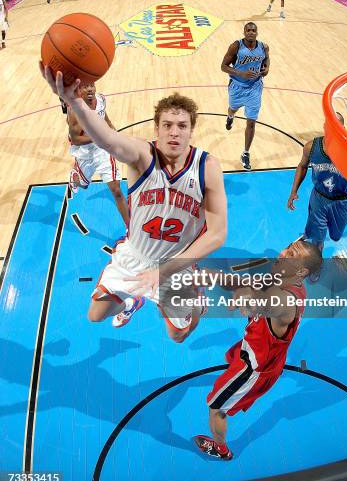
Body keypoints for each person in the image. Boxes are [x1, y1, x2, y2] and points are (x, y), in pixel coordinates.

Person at [41, 63, 227, 343]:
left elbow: (217, 234)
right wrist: (74, 101)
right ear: (157, 128)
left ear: (192, 130)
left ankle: (197, 304)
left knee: (178, 336)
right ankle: (132, 302)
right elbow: (108, 140)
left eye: (181, 126)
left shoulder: (207, 167)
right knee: (95, 314)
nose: (174, 132)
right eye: (167, 125)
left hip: (175, 264)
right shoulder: (143, 155)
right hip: (137, 255)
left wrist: (163, 272)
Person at [194, 239, 322, 460]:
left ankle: (221, 449)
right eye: (288, 247)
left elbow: (264, 302)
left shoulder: (285, 302)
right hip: (263, 352)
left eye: (290, 254)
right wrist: (212, 275)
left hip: (256, 368)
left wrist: (247, 298)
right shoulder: (288, 280)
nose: (282, 253)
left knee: (215, 406)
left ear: (301, 270)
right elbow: (245, 284)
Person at [287, 113, 347, 250]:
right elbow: (302, 166)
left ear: (342, 128)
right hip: (319, 198)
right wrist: (293, 191)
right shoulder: (311, 147)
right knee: (317, 240)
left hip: (342, 200)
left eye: (336, 126)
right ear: (325, 126)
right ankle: (316, 264)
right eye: (329, 125)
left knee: (336, 236)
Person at [67, 81, 129, 226]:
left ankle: (130, 228)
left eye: (91, 85)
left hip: (103, 151)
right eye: (85, 86)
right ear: (78, 90)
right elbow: (75, 139)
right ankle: (75, 176)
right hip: (84, 153)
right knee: (82, 184)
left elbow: (105, 118)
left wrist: (112, 130)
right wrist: (99, 136)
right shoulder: (75, 111)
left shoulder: (100, 100)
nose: (90, 89)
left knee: (117, 191)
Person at [221, 22, 270, 170]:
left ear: (257, 32)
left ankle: (246, 152)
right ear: (244, 32)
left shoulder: (263, 47)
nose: (251, 32)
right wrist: (241, 73)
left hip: (255, 87)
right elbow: (223, 66)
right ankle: (230, 116)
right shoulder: (235, 46)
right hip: (237, 86)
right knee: (233, 108)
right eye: (248, 30)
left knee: (251, 122)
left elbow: (267, 59)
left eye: (253, 30)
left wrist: (267, 68)